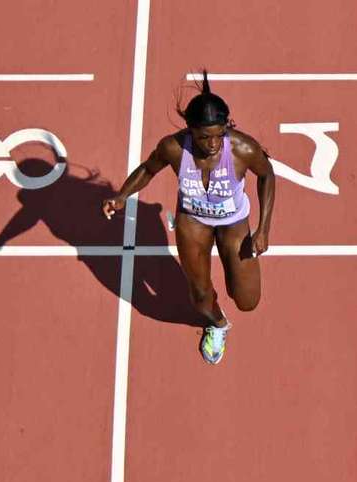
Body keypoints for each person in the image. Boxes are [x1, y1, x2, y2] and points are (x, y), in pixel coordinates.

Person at [103, 70, 276, 364]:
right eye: (204, 137)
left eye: (219, 134)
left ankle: (232, 279)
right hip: (193, 222)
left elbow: (267, 175)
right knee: (199, 295)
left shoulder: (242, 149)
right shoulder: (173, 147)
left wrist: (263, 229)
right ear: (190, 130)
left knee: (247, 300)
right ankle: (218, 324)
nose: (212, 144)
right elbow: (148, 169)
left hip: (234, 222)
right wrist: (121, 196)